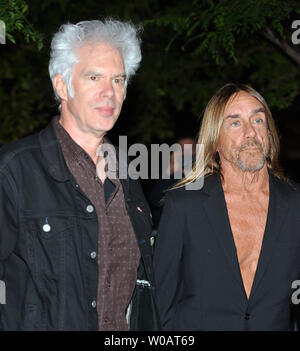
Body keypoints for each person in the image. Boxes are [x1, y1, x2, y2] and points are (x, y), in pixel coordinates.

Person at [0, 19, 160, 331]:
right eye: (94, 77)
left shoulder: (127, 177)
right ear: (62, 86)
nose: (109, 93)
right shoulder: (14, 170)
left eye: (118, 80)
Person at [153, 83, 300, 331]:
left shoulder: (294, 204)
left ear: (269, 132)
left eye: (258, 120)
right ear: (216, 139)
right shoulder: (184, 206)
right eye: (235, 123)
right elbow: (160, 307)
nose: (250, 132)